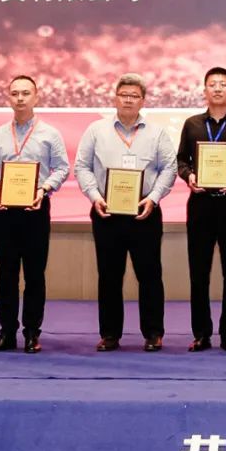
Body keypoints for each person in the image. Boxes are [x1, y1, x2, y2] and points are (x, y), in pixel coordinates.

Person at [75, 74, 177, 352]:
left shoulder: (157, 133)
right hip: (107, 212)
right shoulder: (96, 130)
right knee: (109, 275)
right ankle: (110, 334)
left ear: (143, 101)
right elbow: (82, 166)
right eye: (124, 95)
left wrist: (153, 198)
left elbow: (169, 168)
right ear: (115, 98)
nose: (128, 100)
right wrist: (95, 196)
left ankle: (153, 333)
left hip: (145, 212)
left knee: (150, 274)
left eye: (134, 96)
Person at [0, 75, 69, 354]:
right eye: (15, 93)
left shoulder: (50, 134)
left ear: (36, 97)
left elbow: (62, 168)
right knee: (6, 275)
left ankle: (31, 332)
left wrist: (44, 188)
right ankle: (6, 332)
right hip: (4, 211)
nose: (20, 98)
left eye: (25, 93)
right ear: (8, 98)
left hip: (36, 210)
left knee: (34, 275)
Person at [176, 67, 226, 352]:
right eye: (213, 84)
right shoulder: (192, 124)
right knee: (199, 272)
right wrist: (189, 176)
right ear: (205, 90)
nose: (218, 89)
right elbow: (181, 160)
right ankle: (201, 333)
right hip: (200, 205)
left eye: (223, 84)